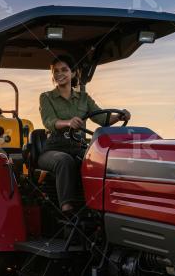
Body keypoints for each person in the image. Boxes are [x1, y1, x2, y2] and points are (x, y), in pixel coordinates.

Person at [38, 56, 130, 214]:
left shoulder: (83, 98)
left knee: (101, 161)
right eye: (56, 71)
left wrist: (120, 116)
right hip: (53, 148)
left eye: (64, 70)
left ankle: (104, 206)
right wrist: (68, 123)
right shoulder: (46, 97)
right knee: (64, 160)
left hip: (77, 145)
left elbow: (102, 119)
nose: (60, 74)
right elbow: (49, 121)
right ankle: (67, 211)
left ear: (73, 73)